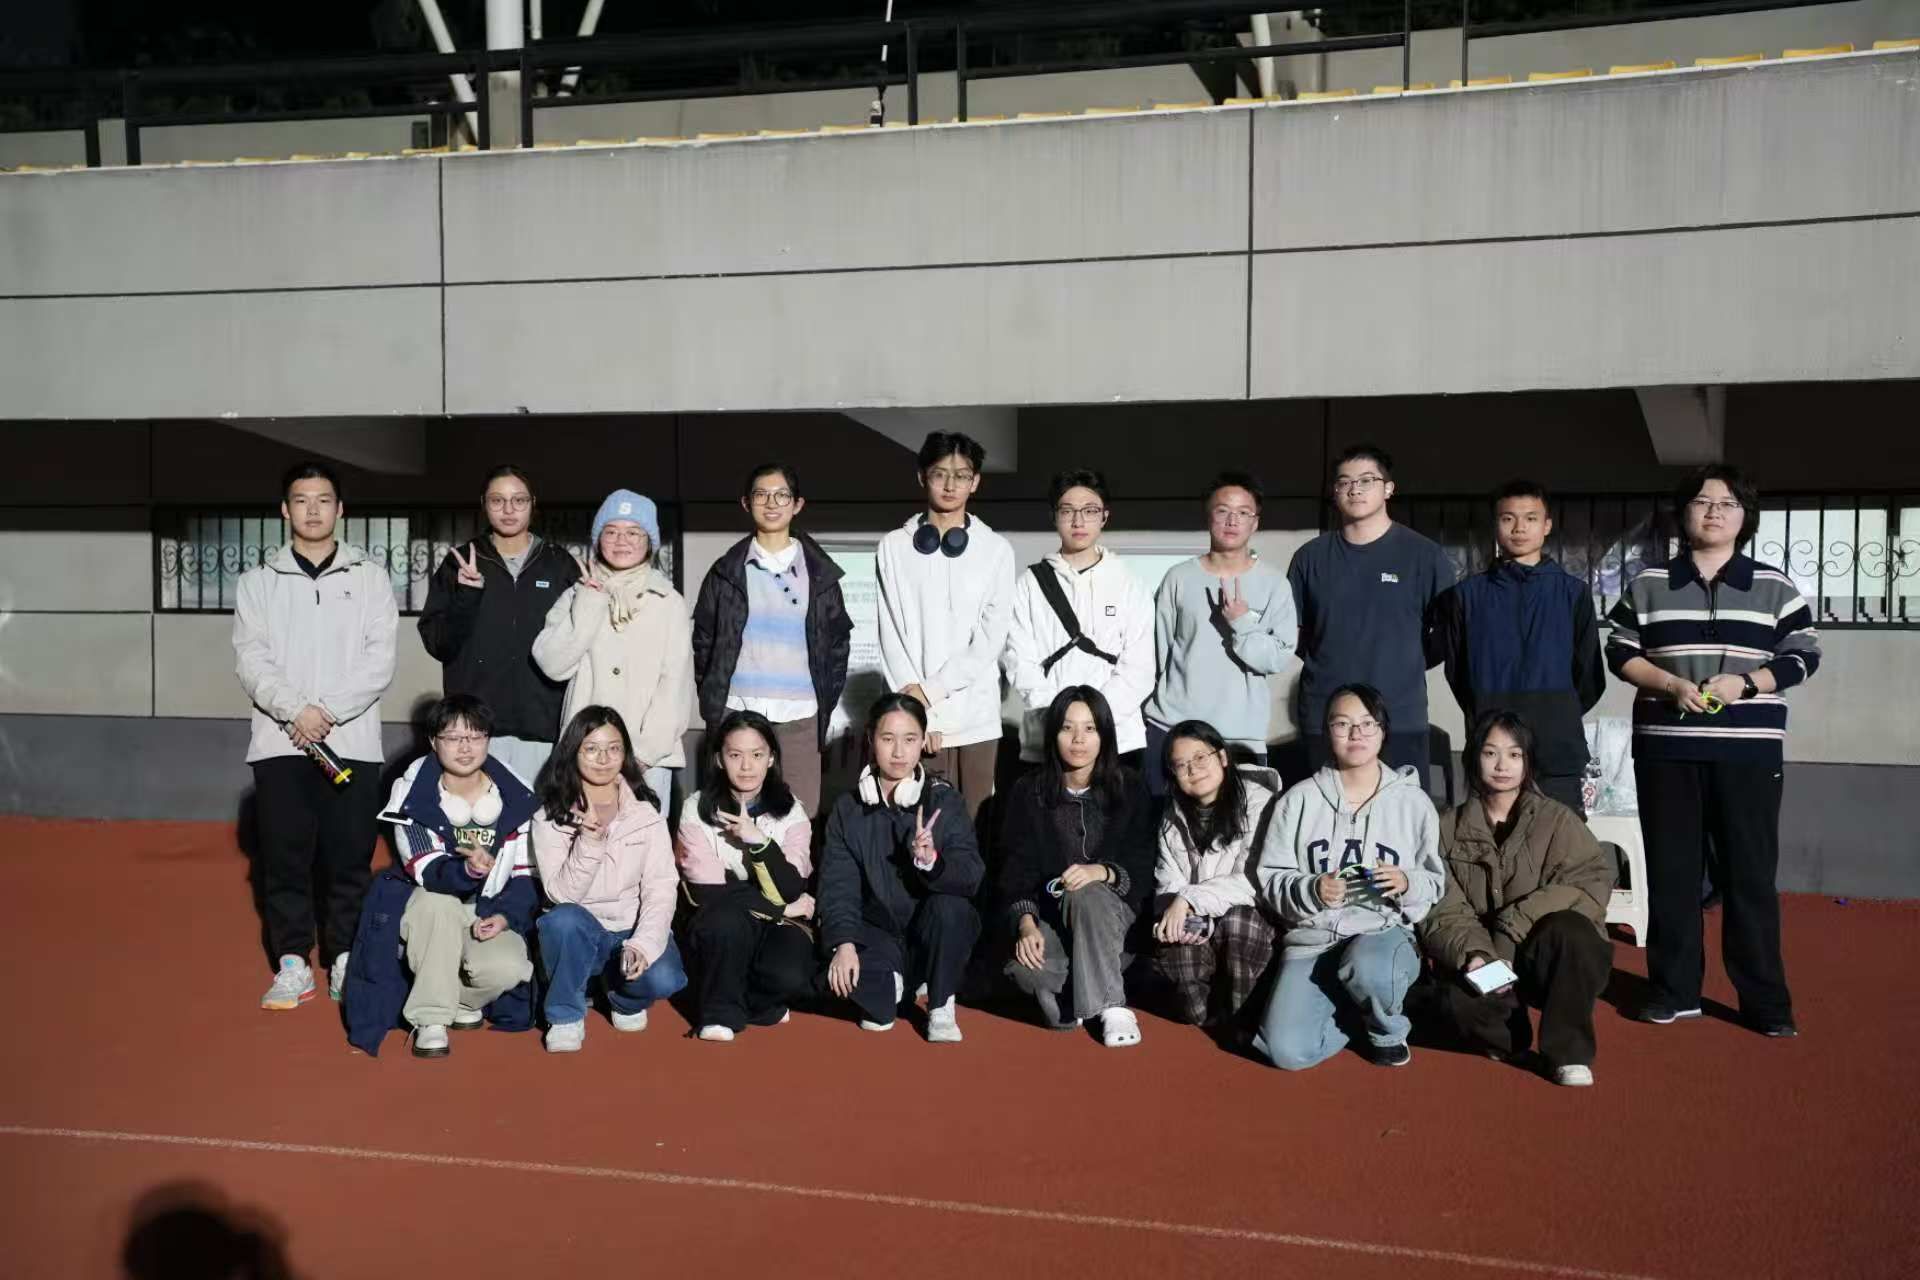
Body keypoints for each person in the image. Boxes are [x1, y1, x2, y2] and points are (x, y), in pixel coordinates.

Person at [1605, 465, 1820, 1038]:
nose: (1714, 512)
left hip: (1749, 752)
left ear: (1745, 517)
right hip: (1666, 749)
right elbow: (1620, 649)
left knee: (1750, 876)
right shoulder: (1649, 582)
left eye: (1728, 503)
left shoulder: (1774, 585)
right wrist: (1670, 684)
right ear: (1684, 513)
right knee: (1672, 873)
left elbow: (1803, 655)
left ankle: (1765, 1001)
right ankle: (1674, 990)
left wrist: (1746, 685)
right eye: (1703, 502)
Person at [233, 460, 397, 1011]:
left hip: (351, 743)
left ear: (340, 509)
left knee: (349, 858)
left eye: (323, 500)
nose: (312, 510)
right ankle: (293, 963)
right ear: (285, 510)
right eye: (301, 500)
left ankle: (344, 956)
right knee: (284, 859)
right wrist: (295, 713)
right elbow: (251, 660)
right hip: (281, 743)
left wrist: (324, 712)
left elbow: (379, 660)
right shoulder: (258, 581)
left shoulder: (370, 577)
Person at [1253, 684, 1446, 1070]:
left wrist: (1407, 882)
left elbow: (1434, 882)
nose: (1355, 733)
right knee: (1285, 1051)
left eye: (1366, 723)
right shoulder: (1298, 800)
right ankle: (1353, 1014)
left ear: (1383, 731)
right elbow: (1271, 878)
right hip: (1314, 941)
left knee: (1370, 967)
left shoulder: (1413, 803)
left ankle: (1386, 1029)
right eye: (1342, 724)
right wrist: (1310, 889)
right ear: (1327, 732)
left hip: (1381, 934)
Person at [1420, 712, 1616, 1087]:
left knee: (1574, 933)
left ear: (1527, 762)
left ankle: (1569, 1054)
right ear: (1473, 758)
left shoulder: (1557, 820)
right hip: (1486, 956)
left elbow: (1589, 883)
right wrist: (1477, 954)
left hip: (1541, 958)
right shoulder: (1446, 827)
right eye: (1490, 753)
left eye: (1514, 754)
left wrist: (1513, 925)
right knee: (1452, 1002)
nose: (1502, 765)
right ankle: (1510, 1038)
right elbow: (1442, 906)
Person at [377, 694, 540, 1059]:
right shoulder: (413, 794)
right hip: (431, 908)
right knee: (439, 905)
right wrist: (467, 870)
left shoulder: (518, 796)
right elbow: (425, 869)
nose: (465, 747)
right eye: (452, 738)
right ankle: (431, 1018)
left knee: (509, 968)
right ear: (433, 741)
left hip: (488, 907)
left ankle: (463, 1001)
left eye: (476, 736)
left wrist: (505, 916)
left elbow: (526, 874)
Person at [1430, 481, 1606, 815]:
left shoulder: (1573, 593)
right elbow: (1457, 673)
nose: (1519, 528)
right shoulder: (1467, 595)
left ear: (1547, 525)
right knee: (1490, 841)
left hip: (1557, 747)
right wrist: (1487, 712)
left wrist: (1555, 711)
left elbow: (1590, 676)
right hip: (1491, 751)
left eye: (1530, 518)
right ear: (1495, 525)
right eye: (1508, 518)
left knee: (1561, 841)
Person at [818, 692, 984, 1043]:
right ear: (870, 740)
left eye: (909, 740)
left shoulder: (944, 800)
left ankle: (940, 1002)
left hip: (932, 933)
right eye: (887, 739)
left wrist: (933, 863)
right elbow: (839, 886)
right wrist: (844, 943)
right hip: (877, 934)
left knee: (951, 907)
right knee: (844, 988)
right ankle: (897, 985)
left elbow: (971, 876)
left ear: (923, 742)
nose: (898, 752)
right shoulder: (848, 808)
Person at [690, 462, 852, 815]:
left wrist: (820, 698)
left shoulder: (820, 573)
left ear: (797, 504)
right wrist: (715, 700)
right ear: (746, 503)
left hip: (800, 715)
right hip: (738, 710)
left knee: (799, 816)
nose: (771, 503)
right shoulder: (725, 572)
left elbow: (838, 645)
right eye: (761, 495)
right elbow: (704, 642)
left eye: (782, 495)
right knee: (733, 815)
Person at [999, 687, 1156, 1047]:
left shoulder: (1130, 787)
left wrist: (1103, 872)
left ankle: (1112, 1005)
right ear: (1053, 734)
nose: (1078, 740)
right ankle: (1089, 980)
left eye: (1089, 729)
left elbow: (1143, 864)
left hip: (1117, 917)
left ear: (1105, 735)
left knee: (1085, 893)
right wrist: (1026, 923)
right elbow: (1015, 868)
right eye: (1067, 728)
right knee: (1025, 970)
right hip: (1054, 917)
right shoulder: (1028, 791)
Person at [1287, 444, 1455, 781]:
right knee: (1326, 809)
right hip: (1325, 715)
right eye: (1344, 482)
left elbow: (1447, 634)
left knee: (1401, 810)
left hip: (1399, 714)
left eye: (1366, 480)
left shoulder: (1424, 556)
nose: (1355, 489)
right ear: (1335, 492)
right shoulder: (1310, 557)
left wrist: (1404, 662)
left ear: (1388, 488)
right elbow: (1295, 633)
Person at [529, 706, 689, 1053]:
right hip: (582, 930)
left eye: (613, 748)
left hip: (630, 930)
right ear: (573, 752)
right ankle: (565, 1015)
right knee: (562, 921)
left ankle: (623, 999)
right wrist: (589, 844)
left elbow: (661, 888)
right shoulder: (550, 816)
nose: (603, 759)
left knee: (667, 978)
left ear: (625, 754)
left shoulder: (646, 813)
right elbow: (560, 896)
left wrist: (642, 944)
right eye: (591, 748)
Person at [875, 432, 1016, 819]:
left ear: (976, 481)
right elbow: (890, 636)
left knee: (975, 830)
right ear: (922, 477)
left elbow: (990, 640)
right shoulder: (893, 547)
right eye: (940, 474)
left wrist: (930, 693)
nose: (951, 485)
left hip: (976, 718)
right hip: (917, 720)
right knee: (919, 828)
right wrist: (917, 716)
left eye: (962, 475)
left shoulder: (996, 550)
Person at [416, 465, 581, 783]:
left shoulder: (559, 563)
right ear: (483, 504)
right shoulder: (460, 562)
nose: (508, 509)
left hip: (543, 725)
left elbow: (577, 644)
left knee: (538, 813)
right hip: (475, 730)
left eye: (519, 500)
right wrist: (467, 596)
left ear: (533, 503)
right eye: (497, 500)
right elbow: (438, 644)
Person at [533, 488, 693, 814]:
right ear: (598, 539)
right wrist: (590, 604)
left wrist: (643, 755)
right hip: (585, 752)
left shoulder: (668, 602)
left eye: (633, 532)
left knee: (641, 840)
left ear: (649, 542)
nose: (621, 541)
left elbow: (675, 684)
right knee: (581, 836)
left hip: (648, 758)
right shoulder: (576, 594)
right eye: (611, 532)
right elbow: (553, 665)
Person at [1142, 472, 1296, 796]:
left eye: (1243, 512)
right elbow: (1159, 652)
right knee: (1163, 821)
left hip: (1239, 736)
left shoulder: (1274, 584)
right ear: (1208, 516)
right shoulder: (1178, 578)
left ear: (1255, 523)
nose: (1232, 520)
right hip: (1172, 727)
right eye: (1223, 510)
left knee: (1241, 824)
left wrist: (1242, 624)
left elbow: (1277, 658)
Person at [675, 710, 819, 1042]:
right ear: (719, 759)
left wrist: (759, 842)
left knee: (790, 976)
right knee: (725, 922)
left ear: (771, 758)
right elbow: (708, 892)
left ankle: (751, 1003)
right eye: (735, 755)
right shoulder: (696, 809)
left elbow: (789, 887)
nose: (746, 766)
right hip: (721, 919)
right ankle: (718, 1016)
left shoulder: (792, 811)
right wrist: (781, 909)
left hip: (777, 924)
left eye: (756, 755)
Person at [1003, 469, 1155, 770]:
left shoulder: (1129, 583)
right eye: (1068, 511)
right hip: (1046, 736)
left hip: (1119, 738)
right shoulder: (1029, 585)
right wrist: (1061, 721)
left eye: (1090, 510)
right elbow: (1019, 661)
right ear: (1054, 516)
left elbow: (1140, 667)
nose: (1078, 521)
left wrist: (1096, 721)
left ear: (1105, 516)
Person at [1149, 720, 1282, 1033]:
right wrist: (1177, 916)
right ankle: (1214, 1011)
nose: (1192, 769)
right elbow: (1168, 881)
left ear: (1222, 756)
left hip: (1253, 919)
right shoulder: (1171, 817)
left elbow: (1253, 881)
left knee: (1238, 925)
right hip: (1201, 921)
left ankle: (1247, 1017)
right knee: (1192, 1004)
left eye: (1200, 757)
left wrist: (1189, 900)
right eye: (1181, 765)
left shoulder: (1261, 802)